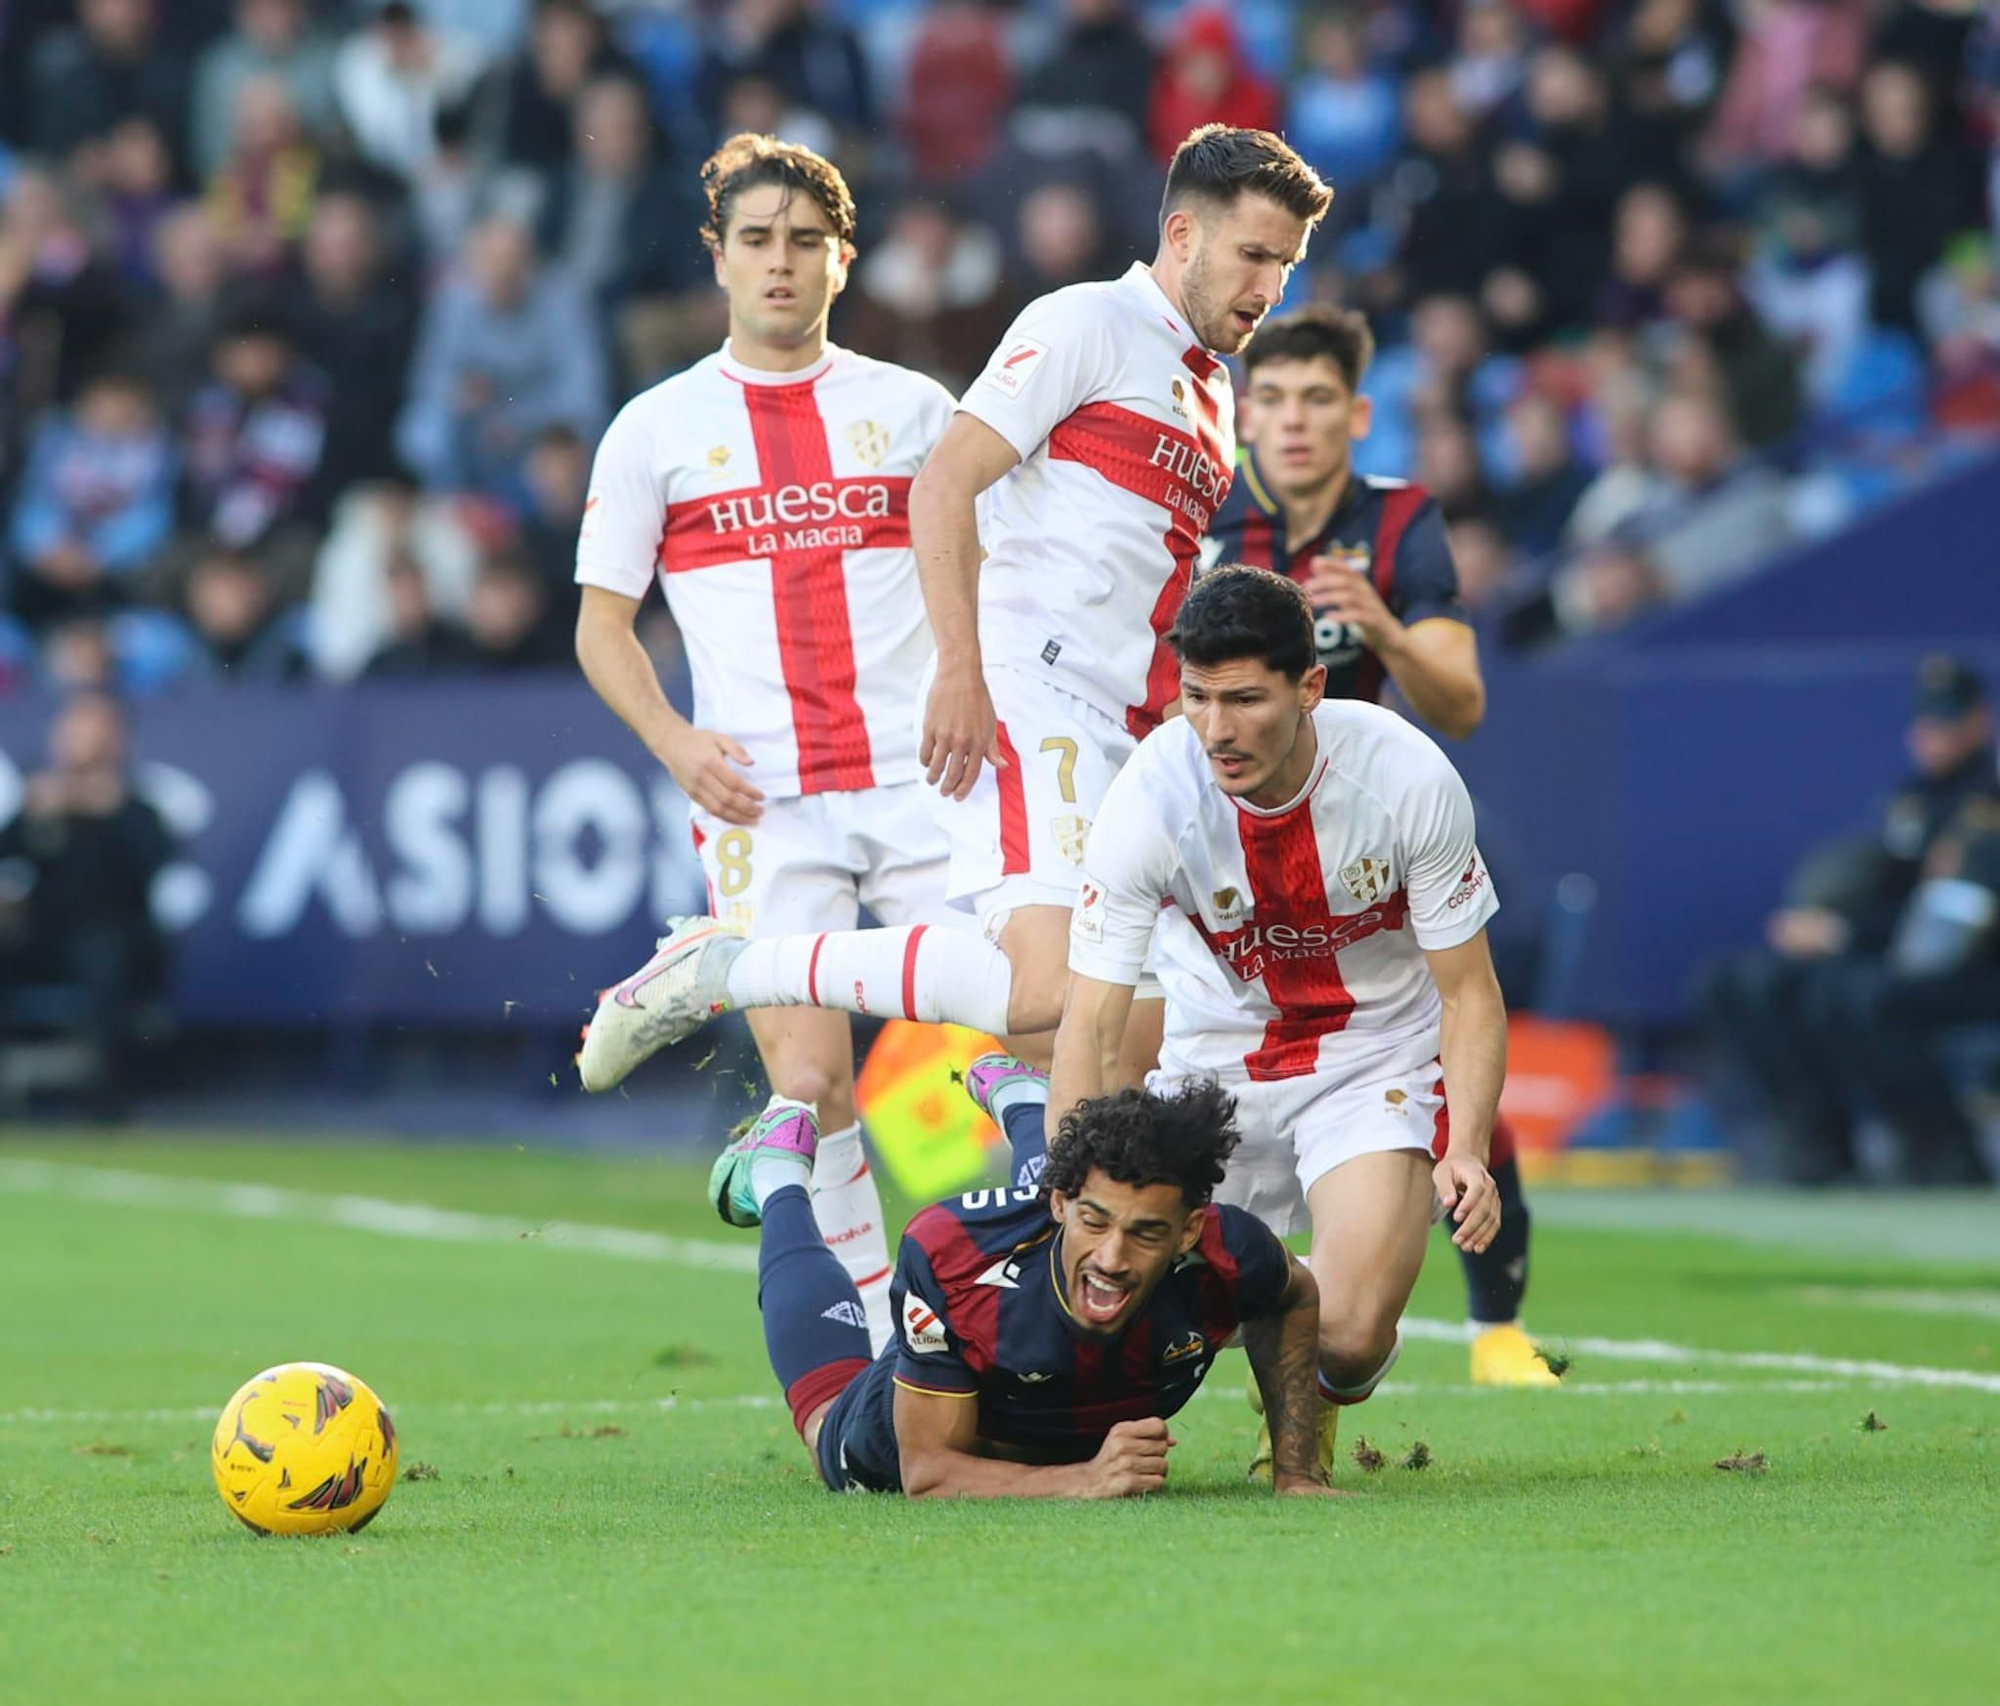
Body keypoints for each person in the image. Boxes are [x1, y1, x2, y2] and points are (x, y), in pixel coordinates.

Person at [581, 126, 1331, 1087]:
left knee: (1128, 1031)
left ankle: (1058, 1231)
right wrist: (965, 671)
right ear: (1183, 233)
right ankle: (727, 966)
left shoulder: (1212, 393)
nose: (1269, 287)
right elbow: (943, 488)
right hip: (1038, 696)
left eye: (1286, 264)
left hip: (1131, 728)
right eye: (1254, 256)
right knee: (1050, 996)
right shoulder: (1084, 324)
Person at [571, 134, 969, 1348]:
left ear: (842, 261)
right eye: (757, 241)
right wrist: (673, 739)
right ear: (720, 258)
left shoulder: (914, 411)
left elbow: (990, 579)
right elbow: (601, 626)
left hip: (924, 781)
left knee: (1020, 1039)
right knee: (811, 1088)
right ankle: (873, 1353)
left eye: (805, 242)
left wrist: (968, 677)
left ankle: (1024, 1315)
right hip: (761, 797)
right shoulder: (656, 425)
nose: (780, 263)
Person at [1045, 566, 1508, 1479]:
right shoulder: (1150, 796)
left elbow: (1470, 993)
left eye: (1247, 699)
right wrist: (1063, 1185)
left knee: (1351, 1332)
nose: (1217, 729)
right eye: (1198, 698)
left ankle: (1302, 1409)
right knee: (1120, 1306)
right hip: (1209, 1061)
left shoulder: (1406, 779)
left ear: (1310, 689)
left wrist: (1470, 1148)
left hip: (1368, 1053)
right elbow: (1093, 1022)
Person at [1204, 304, 1551, 1390]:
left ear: (1354, 413)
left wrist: (1382, 624)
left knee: (1448, 1050)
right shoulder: (1205, 513)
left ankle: (1495, 1328)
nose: (1292, 422)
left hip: (1368, 829)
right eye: (1271, 399)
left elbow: (1461, 702)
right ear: (1241, 412)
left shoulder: (1397, 523)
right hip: (1224, 837)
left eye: (1316, 400)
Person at [710, 1068, 1333, 1497]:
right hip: (911, 1414)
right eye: (1094, 1220)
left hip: (1039, 1263)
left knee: (1075, 1214)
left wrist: (1296, 1471)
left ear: (1189, 1230)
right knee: (825, 1428)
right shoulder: (951, 1256)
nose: (1114, 1258)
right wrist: (1084, 1479)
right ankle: (779, 1174)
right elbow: (929, 1474)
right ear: (1063, 1206)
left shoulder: (1232, 1252)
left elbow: (1296, 1296)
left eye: (1146, 1233)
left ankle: (1024, 1102)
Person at [1704, 656, 1999, 1184]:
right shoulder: (1913, 798)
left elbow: (1957, 920)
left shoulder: (1987, 803)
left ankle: (1942, 1148)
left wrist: (1845, 934)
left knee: (1858, 998)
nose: (1936, 736)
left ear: (1981, 721)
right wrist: (1824, 921)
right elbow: (1889, 883)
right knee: (1744, 982)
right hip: (1899, 949)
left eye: (1949, 721)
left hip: (1974, 965)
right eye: (1927, 722)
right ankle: (1813, 1137)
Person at [0, 690, 173, 1112]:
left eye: (95, 729)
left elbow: (154, 864)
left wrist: (105, 807)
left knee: (104, 955)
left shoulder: (136, 806)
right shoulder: (40, 801)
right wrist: (37, 815)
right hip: (43, 936)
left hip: (113, 937)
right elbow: (10, 857)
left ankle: (106, 1099)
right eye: (75, 728)